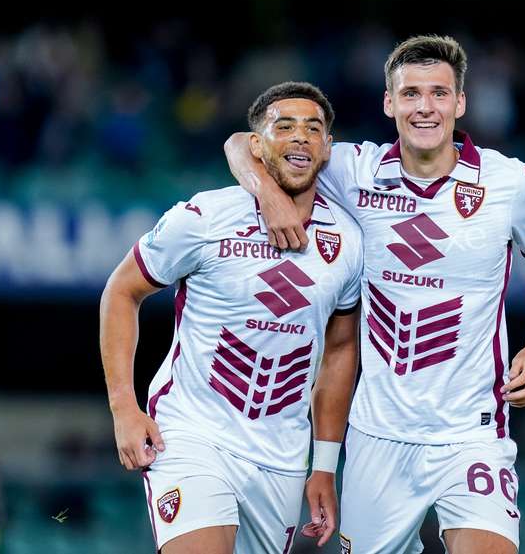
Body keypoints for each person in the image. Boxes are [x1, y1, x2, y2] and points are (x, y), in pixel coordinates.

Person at [224, 36, 525, 554]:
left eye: (438, 93)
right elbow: (242, 143)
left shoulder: (510, 183)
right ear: (390, 103)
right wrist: (269, 195)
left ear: (460, 103)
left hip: (470, 434)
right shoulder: (354, 170)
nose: (424, 107)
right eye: (410, 94)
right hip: (376, 436)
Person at [100, 82, 363, 553]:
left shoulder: (348, 242)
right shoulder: (205, 216)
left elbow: (341, 348)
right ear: (256, 145)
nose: (300, 137)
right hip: (193, 433)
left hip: (281, 457)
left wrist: (324, 463)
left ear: (328, 149)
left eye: (313, 128)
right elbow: (121, 290)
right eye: (284, 126)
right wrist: (124, 406)